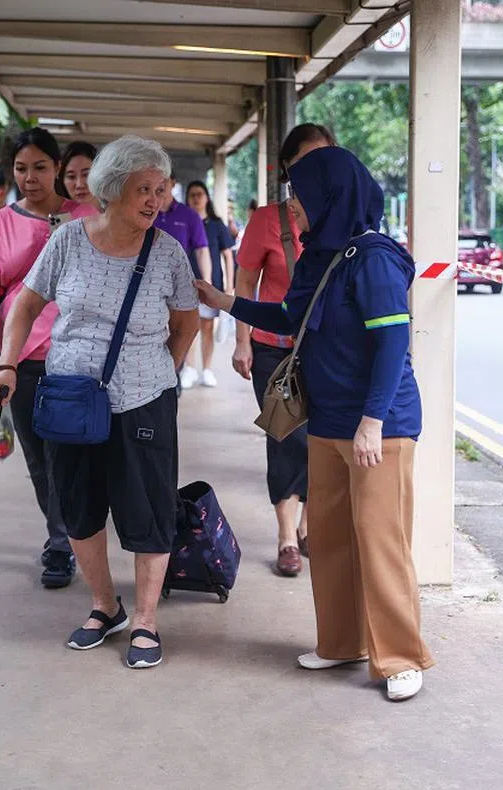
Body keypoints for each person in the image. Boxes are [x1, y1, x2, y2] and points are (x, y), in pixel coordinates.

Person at [196, 145, 435, 702]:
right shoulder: (320, 255)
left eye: (299, 195)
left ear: (330, 194)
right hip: (326, 420)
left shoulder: (374, 258)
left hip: (379, 425)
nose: (292, 207)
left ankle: (399, 656)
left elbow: (392, 340)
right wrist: (225, 301)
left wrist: (372, 421)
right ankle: (342, 642)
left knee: (380, 539)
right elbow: (287, 317)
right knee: (327, 539)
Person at [0, 134, 199, 669]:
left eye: (160, 189)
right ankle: (106, 607)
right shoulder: (67, 242)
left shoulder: (167, 251)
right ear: (110, 190)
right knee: (79, 509)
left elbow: (187, 318)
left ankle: (146, 620)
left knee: (148, 508)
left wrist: (163, 371)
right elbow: (24, 305)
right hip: (72, 398)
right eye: (142, 189)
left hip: (144, 399)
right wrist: (8, 363)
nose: (154, 200)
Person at [0, 128, 98, 589]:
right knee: (40, 458)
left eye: (40, 167)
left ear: (57, 169)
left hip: (77, 355)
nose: (29, 177)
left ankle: (77, 534)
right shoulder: (1, 222)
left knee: (73, 453)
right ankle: (60, 541)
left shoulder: (86, 216)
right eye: (21, 169)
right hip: (19, 356)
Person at [234, 123, 336, 578]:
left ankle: (311, 529)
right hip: (274, 351)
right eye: (307, 160)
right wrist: (241, 341)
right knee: (286, 438)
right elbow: (244, 284)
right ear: (288, 169)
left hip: (327, 350)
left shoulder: (342, 218)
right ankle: (286, 538)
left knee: (321, 439)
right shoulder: (265, 221)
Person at [154, 174, 212, 389]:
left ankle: (174, 376)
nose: (160, 186)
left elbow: (202, 250)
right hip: (146, 289)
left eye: (164, 180)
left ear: (173, 183)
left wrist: (206, 283)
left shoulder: (189, 216)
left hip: (177, 288)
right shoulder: (143, 212)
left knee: (181, 331)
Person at [184, 180, 234, 387]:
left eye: (200, 194)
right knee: (188, 328)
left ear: (207, 197)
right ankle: (188, 369)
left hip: (211, 285)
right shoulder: (184, 222)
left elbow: (228, 255)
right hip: (186, 284)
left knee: (206, 329)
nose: (196, 198)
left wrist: (230, 284)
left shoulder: (216, 224)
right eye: (192, 195)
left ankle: (206, 370)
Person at [59, 141, 98, 209]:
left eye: (86, 174)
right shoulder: (57, 218)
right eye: (71, 177)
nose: (79, 185)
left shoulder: (118, 213)